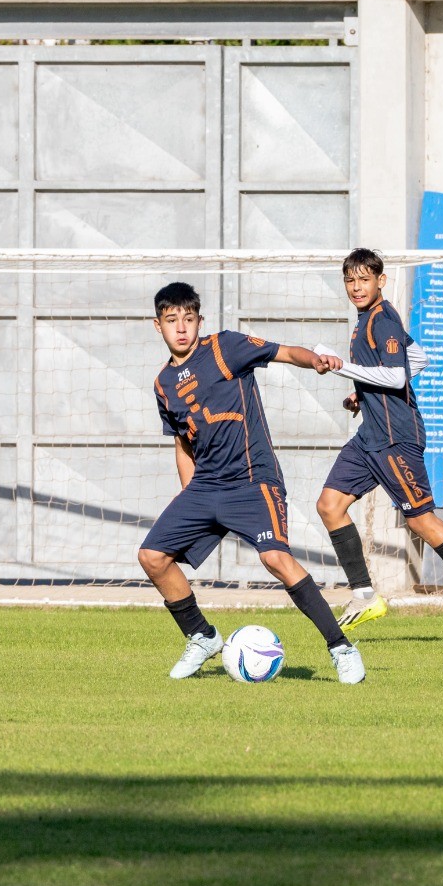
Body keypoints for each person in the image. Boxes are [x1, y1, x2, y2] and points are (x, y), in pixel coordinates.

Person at [138, 281, 367, 685]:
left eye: (188, 319)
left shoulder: (225, 347)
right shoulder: (163, 384)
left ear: (199, 321)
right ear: (157, 326)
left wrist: (313, 359)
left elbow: (282, 351)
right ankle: (201, 636)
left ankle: (341, 648)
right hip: (206, 486)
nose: (181, 328)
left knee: (276, 559)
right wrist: (188, 493)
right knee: (152, 557)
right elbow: (182, 443)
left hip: (251, 479)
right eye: (172, 321)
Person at [312, 248, 443, 643]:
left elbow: (398, 377)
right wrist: (362, 394)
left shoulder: (383, 318)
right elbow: (417, 359)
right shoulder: (365, 321)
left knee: (421, 521)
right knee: (329, 505)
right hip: (369, 436)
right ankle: (364, 594)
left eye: (364, 279)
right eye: (350, 280)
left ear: (380, 281)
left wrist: (342, 368)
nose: (356, 287)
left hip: (395, 439)